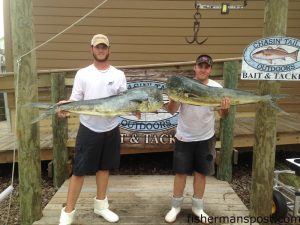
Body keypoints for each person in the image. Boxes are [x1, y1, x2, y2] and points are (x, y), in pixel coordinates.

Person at [58, 34, 127, 225]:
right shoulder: (83, 74)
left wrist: (135, 108)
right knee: (79, 171)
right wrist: (66, 107)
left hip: (111, 128)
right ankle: (68, 212)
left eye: (104, 47)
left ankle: (101, 206)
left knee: (104, 168)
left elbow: (125, 101)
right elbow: (76, 99)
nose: (101, 50)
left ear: (109, 49)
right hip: (88, 129)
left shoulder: (118, 74)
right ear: (92, 49)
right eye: (98, 47)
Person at [165, 54, 231, 223]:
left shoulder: (217, 88)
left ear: (210, 69)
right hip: (184, 137)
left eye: (206, 67)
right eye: (200, 66)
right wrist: (173, 99)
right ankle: (175, 206)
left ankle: (198, 207)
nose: (203, 69)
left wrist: (225, 108)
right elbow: (171, 110)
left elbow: (223, 115)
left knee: (200, 174)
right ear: (195, 67)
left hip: (205, 138)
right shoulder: (184, 85)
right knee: (180, 173)